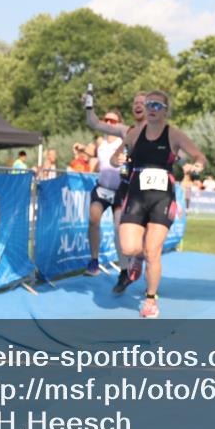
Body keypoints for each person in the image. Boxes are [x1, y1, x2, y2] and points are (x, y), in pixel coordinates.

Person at [115, 91, 205, 318]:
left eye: (157, 105)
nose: (152, 109)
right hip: (136, 195)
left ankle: (150, 300)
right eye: (149, 105)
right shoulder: (135, 133)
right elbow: (115, 157)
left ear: (166, 110)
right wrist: (118, 159)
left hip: (162, 198)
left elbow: (199, 156)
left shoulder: (173, 134)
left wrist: (197, 166)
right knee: (128, 248)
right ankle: (137, 258)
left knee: (153, 251)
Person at [84, 94, 149, 289]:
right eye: (135, 102)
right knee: (102, 222)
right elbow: (94, 123)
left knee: (135, 235)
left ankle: (139, 270)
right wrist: (89, 106)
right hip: (113, 188)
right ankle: (117, 269)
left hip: (138, 190)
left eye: (142, 103)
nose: (138, 106)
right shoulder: (124, 131)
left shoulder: (158, 132)